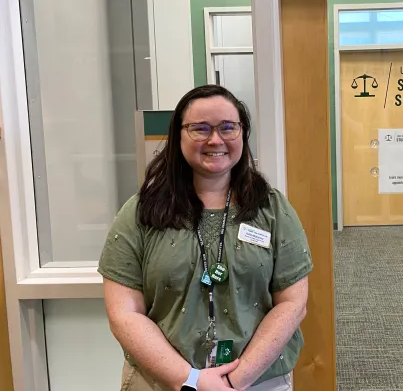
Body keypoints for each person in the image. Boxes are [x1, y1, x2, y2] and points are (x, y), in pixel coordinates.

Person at [98, 85, 313, 391]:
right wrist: (191, 380)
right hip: (161, 381)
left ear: (242, 133)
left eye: (228, 127)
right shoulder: (140, 213)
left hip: (257, 381)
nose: (215, 139)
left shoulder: (272, 209)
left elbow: (293, 303)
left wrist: (238, 379)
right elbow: (123, 313)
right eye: (200, 129)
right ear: (178, 136)